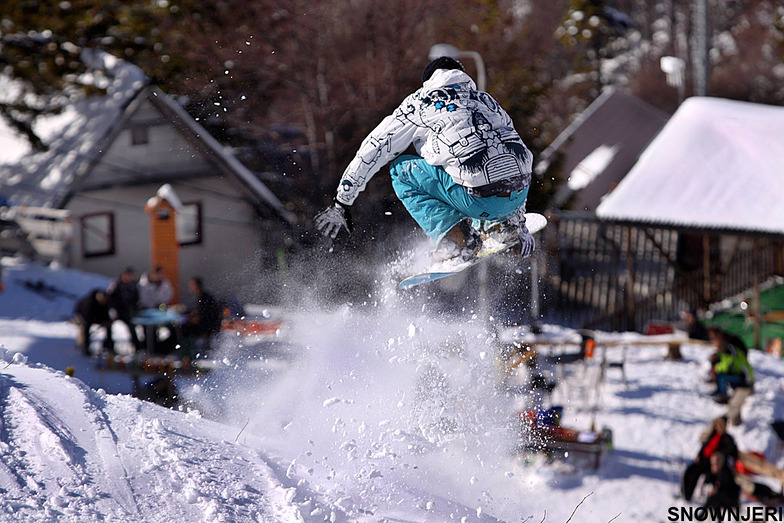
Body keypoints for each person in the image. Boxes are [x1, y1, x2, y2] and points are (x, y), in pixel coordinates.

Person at [315, 56, 535, 263]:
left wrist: (342, 201)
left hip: (477, 200)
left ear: (428, 82)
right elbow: (514, 156)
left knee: (401, 170)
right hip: (518, 195)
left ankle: (457, 239)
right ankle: (502, 226)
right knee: (462, 165)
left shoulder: (421, 103)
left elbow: (375, 147)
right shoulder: (486, 101)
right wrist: (520, 222)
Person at [682, 416, 738, 502]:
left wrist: (719, 454)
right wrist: (699, 455)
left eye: (719, 425)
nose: (717, 427)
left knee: (699, 475)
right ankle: (686, 495)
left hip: (712, 463)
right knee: (690, 472)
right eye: (716, 425)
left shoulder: (726, 438)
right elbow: (704, 446)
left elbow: (731, 450)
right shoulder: (712, 434)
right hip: (703, 459)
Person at [708, 328, 754, 404]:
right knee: (719, 374)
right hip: (739, 375)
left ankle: (724, 396)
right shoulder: (726, 349)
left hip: (745, 379)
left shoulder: (731, 350)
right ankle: (719, 391)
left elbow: (727, 366)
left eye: (715, 341)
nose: (715, 345)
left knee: (721, 376)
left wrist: (715, 365)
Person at [106, 266, 142, 352]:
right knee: (108, 325)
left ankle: (137, 347)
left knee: (132, 326)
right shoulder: (116, 285)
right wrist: (113, 311)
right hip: (116, 311)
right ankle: (108, 346)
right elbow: (109, 299)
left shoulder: (134, 285)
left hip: (128, 311)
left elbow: (136, 299)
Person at [184, 276, 222, 352]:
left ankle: (188, 351)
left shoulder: (204, 297)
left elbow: (206, 314)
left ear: (196, 286)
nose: (190, 287)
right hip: (209, 323)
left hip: (210, 325)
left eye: (191, 285)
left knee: (184, 328)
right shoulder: (202, 296)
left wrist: (192, 319)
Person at [73, 289, 112, 355]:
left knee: (109, 327)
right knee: (86, 328)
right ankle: (86, 347)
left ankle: (108, 346)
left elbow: (106, 313)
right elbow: (86, 316)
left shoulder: (106, 303)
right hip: (83, 316)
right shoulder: (89, 302)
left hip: (96, 317)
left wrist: (106, 321)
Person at [703, 452, 741, 518]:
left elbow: (725, 490)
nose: (714, 465)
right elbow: (705, 485)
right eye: (713, 463)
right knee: (713, 500)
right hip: (719, 501)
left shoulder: (726, 473)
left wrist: (714, 490)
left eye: (716, 463)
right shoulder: (712, 473)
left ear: (721, 463)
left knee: (714, 498)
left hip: (731, 501)